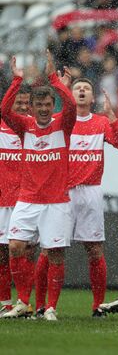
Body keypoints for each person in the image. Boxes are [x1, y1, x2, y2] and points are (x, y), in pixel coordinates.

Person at [34, 78, 118, 318]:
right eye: (77, 88)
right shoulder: (60, 122)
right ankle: (42, 305)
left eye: (87, 88)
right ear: (70, 95)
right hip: (62, 193)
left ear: (93, 97)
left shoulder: (101, 122)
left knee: (95, 250)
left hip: (90, 192)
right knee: (49, 249)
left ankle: (98, 306)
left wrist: (112, 116)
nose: (83, 91)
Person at [1, 52, 76, 321]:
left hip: (56, 202)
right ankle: (23, 300)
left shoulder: (62, 125)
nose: (44, 109)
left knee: (55, 254)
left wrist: (54, 77)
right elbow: (3, 110)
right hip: (28, 200)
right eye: (39, 105)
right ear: (31, 107)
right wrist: (17, 80)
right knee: (15, 247)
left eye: (47, 104)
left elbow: (70, 105)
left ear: (51, 104)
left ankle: (51, 308)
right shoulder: (25, 126)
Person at [0, 84, 32, 318]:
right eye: (18, 102)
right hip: (3, 200)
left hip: (27, 201)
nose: (22, 106)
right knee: (2, 253)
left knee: (28, 252)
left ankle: (26, 302)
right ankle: (6, 303)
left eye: (26, 102)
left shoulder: (33, 128)